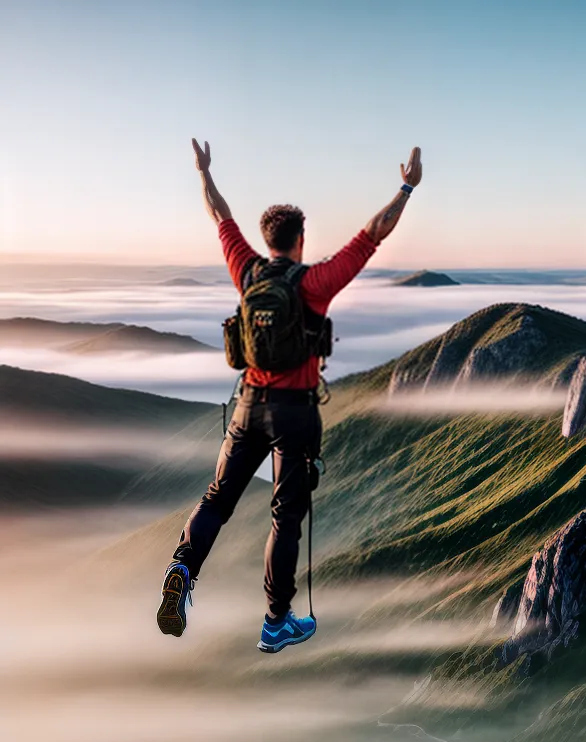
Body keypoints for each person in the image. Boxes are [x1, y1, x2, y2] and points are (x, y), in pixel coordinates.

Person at [157, 138, 423, 652]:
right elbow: (372, 235)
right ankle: (276, 621)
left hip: (248, 407)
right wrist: (406, 187)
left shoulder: (246, 270)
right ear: (300, 239)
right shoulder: (315, 282)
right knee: (284, 517)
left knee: (217, 499)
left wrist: (203, 172)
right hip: (295, 416)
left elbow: (219, 215)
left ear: (265, 239)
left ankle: (182, 570)